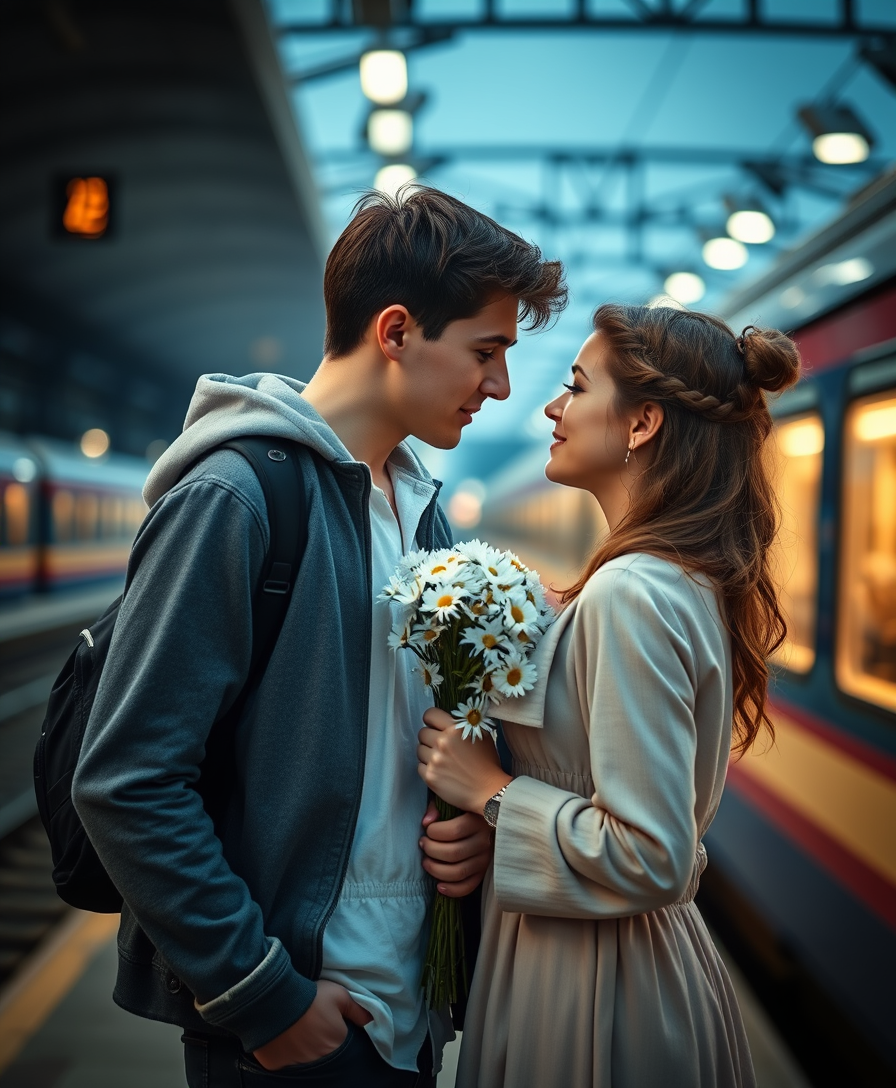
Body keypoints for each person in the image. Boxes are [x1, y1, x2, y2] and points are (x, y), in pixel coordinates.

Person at [72, 185, 566, 1088]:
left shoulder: (423, 519)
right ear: (395, 332)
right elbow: (127, 779)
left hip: (411, 1015)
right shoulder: (237, 500)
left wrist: (472, 831)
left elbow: (396, 753)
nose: (500, 387)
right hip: (299, 1020)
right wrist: (264, 999)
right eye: (486, 352)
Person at [417, 303, 801, 1088]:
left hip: (595, 991)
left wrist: (492, 795)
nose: (553, 408)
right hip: (603, 964)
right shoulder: (667, 579)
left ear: (642, 424)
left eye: (576, 387)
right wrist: (503, 831)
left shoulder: (633, 592)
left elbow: (650, 853)